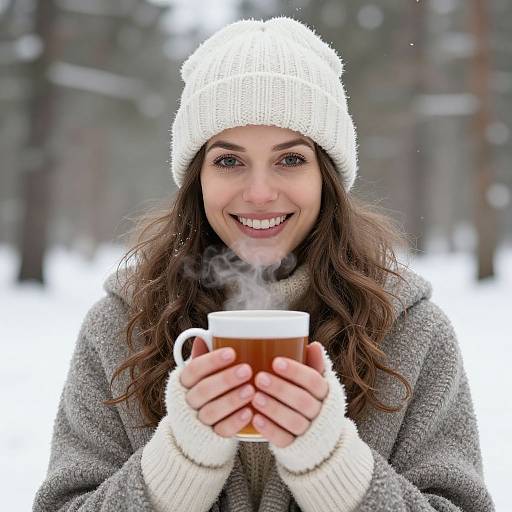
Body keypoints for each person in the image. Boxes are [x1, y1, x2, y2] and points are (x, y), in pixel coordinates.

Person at [33, 15, 495, 512]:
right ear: (198, 179)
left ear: (327, 177)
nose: (258, 194)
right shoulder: (122, 327)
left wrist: (331, 463)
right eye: (229, 161)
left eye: (290, 159)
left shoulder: (411, 332)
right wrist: (181, 460)